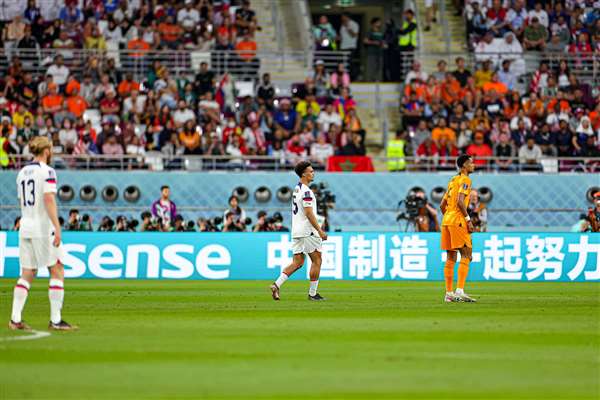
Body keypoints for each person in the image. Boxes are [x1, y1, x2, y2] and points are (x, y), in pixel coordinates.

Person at [10, 136, 77, 331]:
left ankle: (15, 319)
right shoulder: (47, 171)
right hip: (42, 227)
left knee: (27, 272)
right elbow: (48, 198)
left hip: (26, 226)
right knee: (57, 269)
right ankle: (55, 320)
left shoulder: (22, 173)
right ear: (47, 151)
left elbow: (22, 201)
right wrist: (57, 226)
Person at [270, 161, 328, 301]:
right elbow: (308, 213)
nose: (313, 173)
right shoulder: (307, 192)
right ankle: (313, 294)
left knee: (298, 262)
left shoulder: (297, 189)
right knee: (317, 260)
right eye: (311, 171)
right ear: (303, 174)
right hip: (307, 231)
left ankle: (276, 285)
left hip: (296, 230)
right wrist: (319, 230)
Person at [439, 154, 477, 303]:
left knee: (451, 257)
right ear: (464, 166)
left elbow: (442, 205)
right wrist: (468, 220)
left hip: (446, 220)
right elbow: (461, 202)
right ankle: (459, 291)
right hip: (458, 220)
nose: (473, 165)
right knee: (467, 254)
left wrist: (449, 218)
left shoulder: (452, 180)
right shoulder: (465, 180)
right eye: (470, 163)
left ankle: (449, 293)